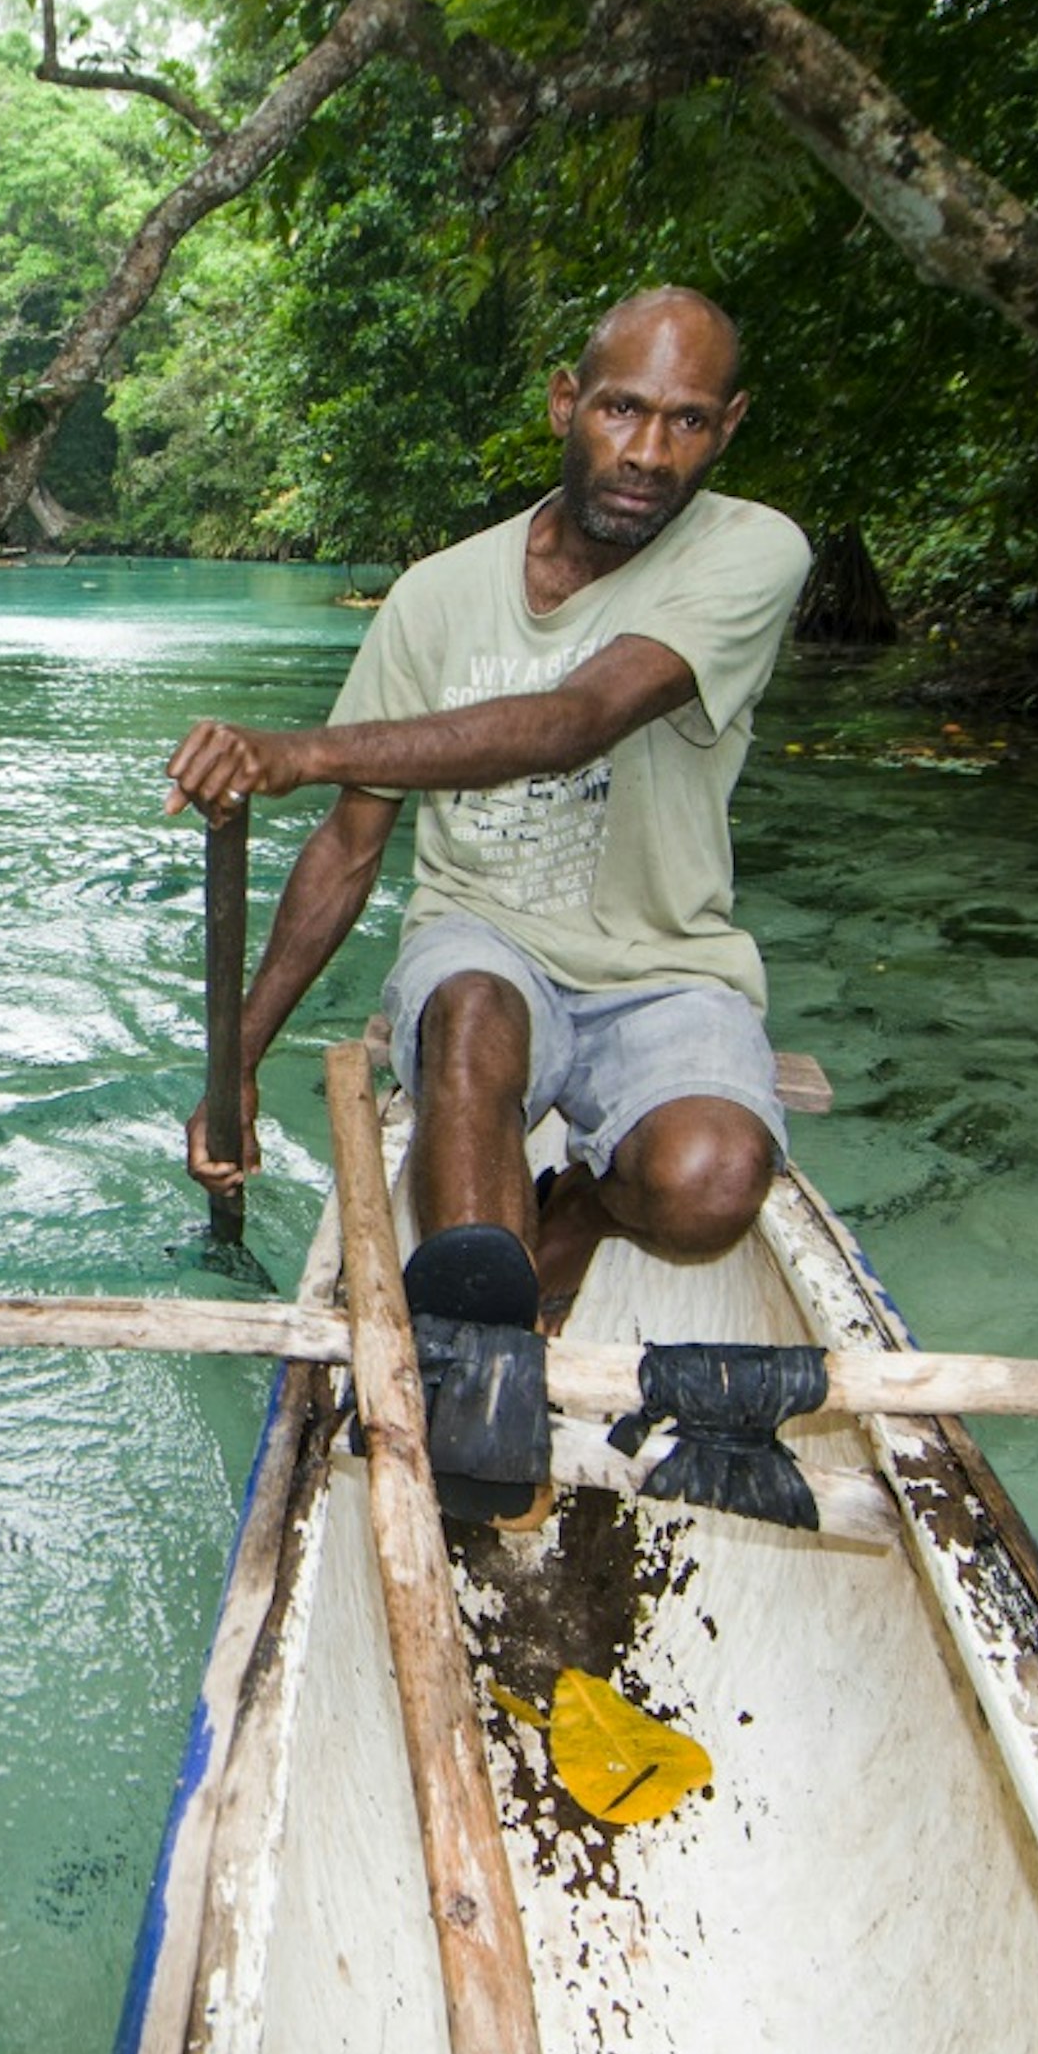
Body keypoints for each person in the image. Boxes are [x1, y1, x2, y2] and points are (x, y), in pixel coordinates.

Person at [162, 286, 810, 1336]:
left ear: (729, 427)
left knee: (711, 1186)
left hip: (667, 967)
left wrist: (298, 750)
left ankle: (581, 1214)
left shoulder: (753, 552)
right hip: (485, 946)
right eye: (621, 409)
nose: (649, 450)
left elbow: (575, 719)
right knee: (469, 1015)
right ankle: (481, 1350)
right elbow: (350, 844)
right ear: (566, 404)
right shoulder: (438, 595)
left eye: (688, 420)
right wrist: (235, 1058)